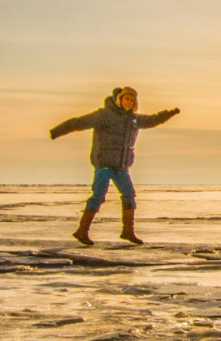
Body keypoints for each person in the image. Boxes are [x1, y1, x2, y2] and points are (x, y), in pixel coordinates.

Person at [49, 86, 180, 245]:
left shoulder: (134, 119)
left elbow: (152, 120)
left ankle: (127, 232)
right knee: (98, 196)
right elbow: (79, 122)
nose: (129, 102)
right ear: (119, 99)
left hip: (121, 166)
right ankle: (82, 231)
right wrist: (56, 131)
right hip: (104, 164)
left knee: (129, 194)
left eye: (132, 100)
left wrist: (169, 113)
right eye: (126, 99)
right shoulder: (104, 115)